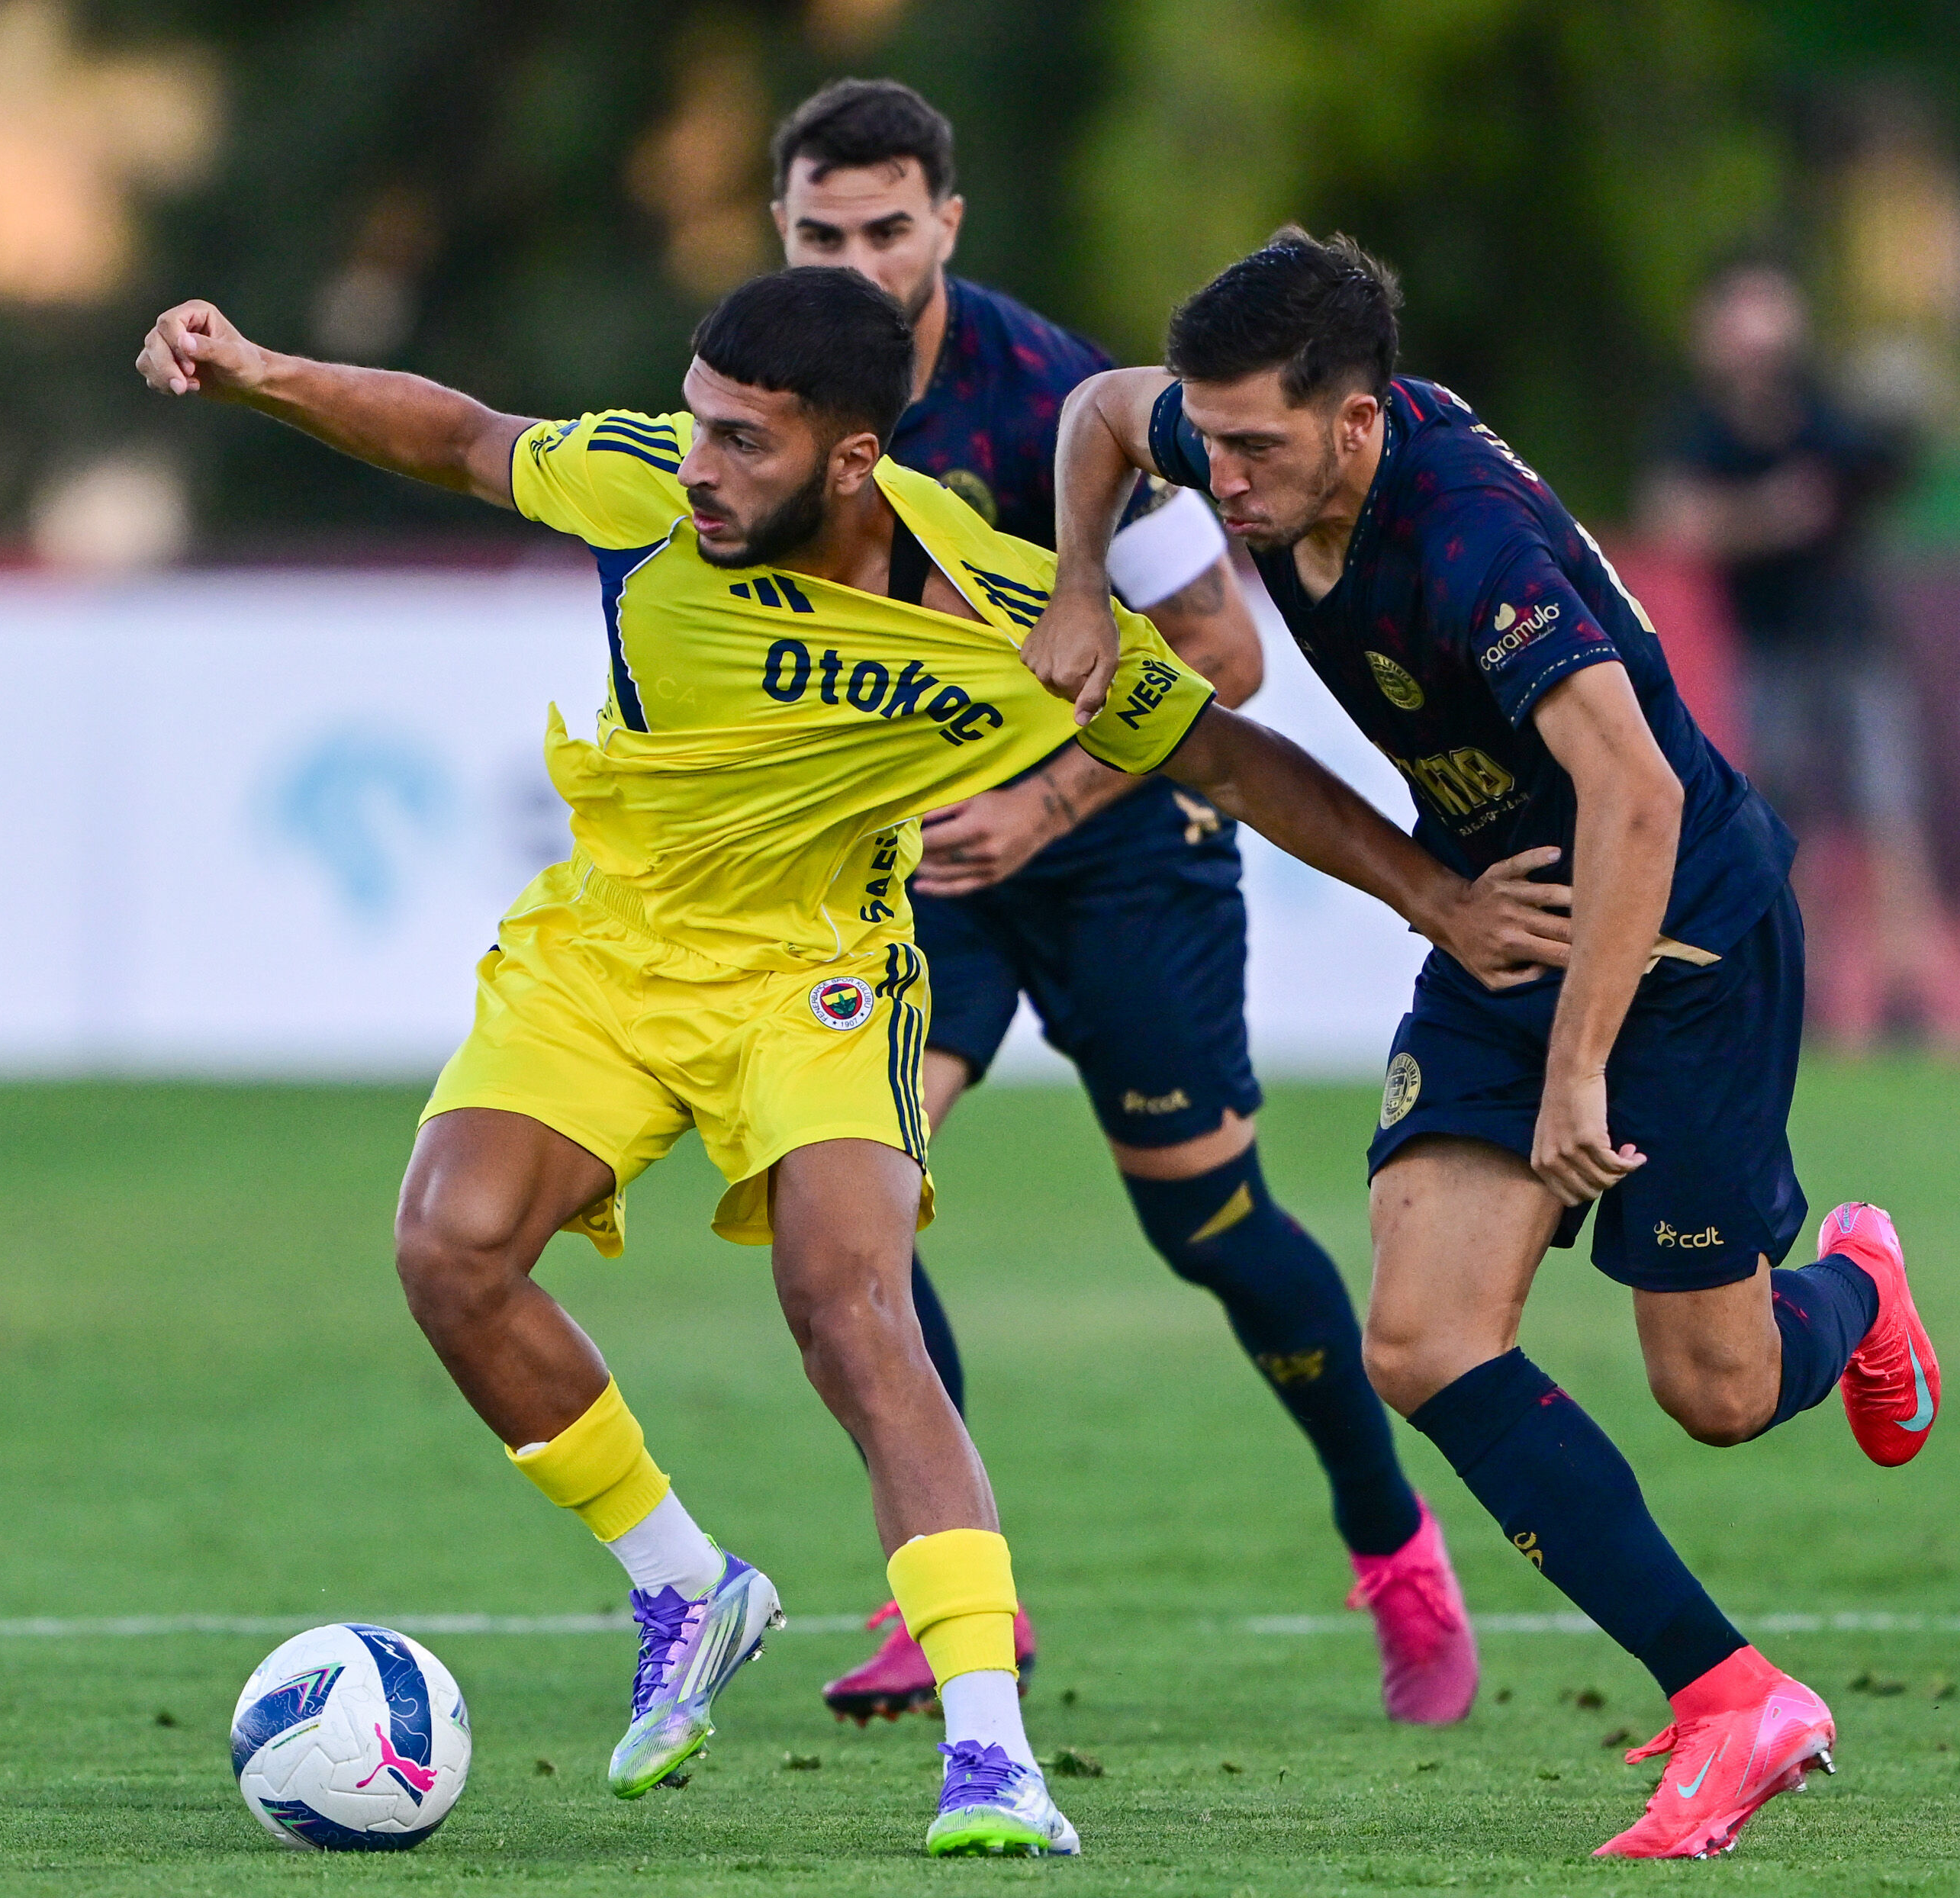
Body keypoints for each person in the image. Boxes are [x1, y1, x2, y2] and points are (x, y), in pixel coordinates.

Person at [134, 265, 1521, 1858]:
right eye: (696, 425)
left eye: (740, 442)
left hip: (820, 975)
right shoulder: (647, 481)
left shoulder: (1000, 613)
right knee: (448, 1253)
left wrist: (1438, 897)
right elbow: (460, 438)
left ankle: (994, 1754)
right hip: (611, 939)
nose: (698, 467)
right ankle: (685, 1582)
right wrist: (253, 370)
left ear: (854, 459)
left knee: (849, 1307)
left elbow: (1222, 742)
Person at [1026, 230, 1946, 1860]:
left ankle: (1860, 1286)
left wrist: (1581, 1064)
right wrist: (1086, 589)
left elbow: (1641, 796)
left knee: (1717, 1389)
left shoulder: (1468, 544)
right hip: (1499, 917)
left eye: (1256, 449)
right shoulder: (1233, 444)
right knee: (1424, 1336)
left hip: (1676, 943)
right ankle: (1735, 1695)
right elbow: (1102, 411)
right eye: (1214, 442)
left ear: (1361, 425)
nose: (1222, 484)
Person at [766, 76, 1476, 1731]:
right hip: (919, 864)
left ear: (947, 224)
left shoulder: (1043, 401)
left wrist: (1042, 799)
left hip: (1122, 848)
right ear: (779, 232)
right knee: (842, 1205)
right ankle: (948, 1587)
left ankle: (1394, 1546)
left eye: (887, 229)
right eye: (822, 233)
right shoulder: (766, 397)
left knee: (1209, 1223)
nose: (857, 264)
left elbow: (1224, 656)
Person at [1639, 260, 1944, 1044]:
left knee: (1886, 814)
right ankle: (1806, 990)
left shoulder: (1824, 415)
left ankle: (1904, 991)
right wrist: (1771, 516)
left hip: (1854, 643)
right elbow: (1677, 519)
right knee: (1786, 823)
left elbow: (1884, 468)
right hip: (1770, 650)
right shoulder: (1702, 431)